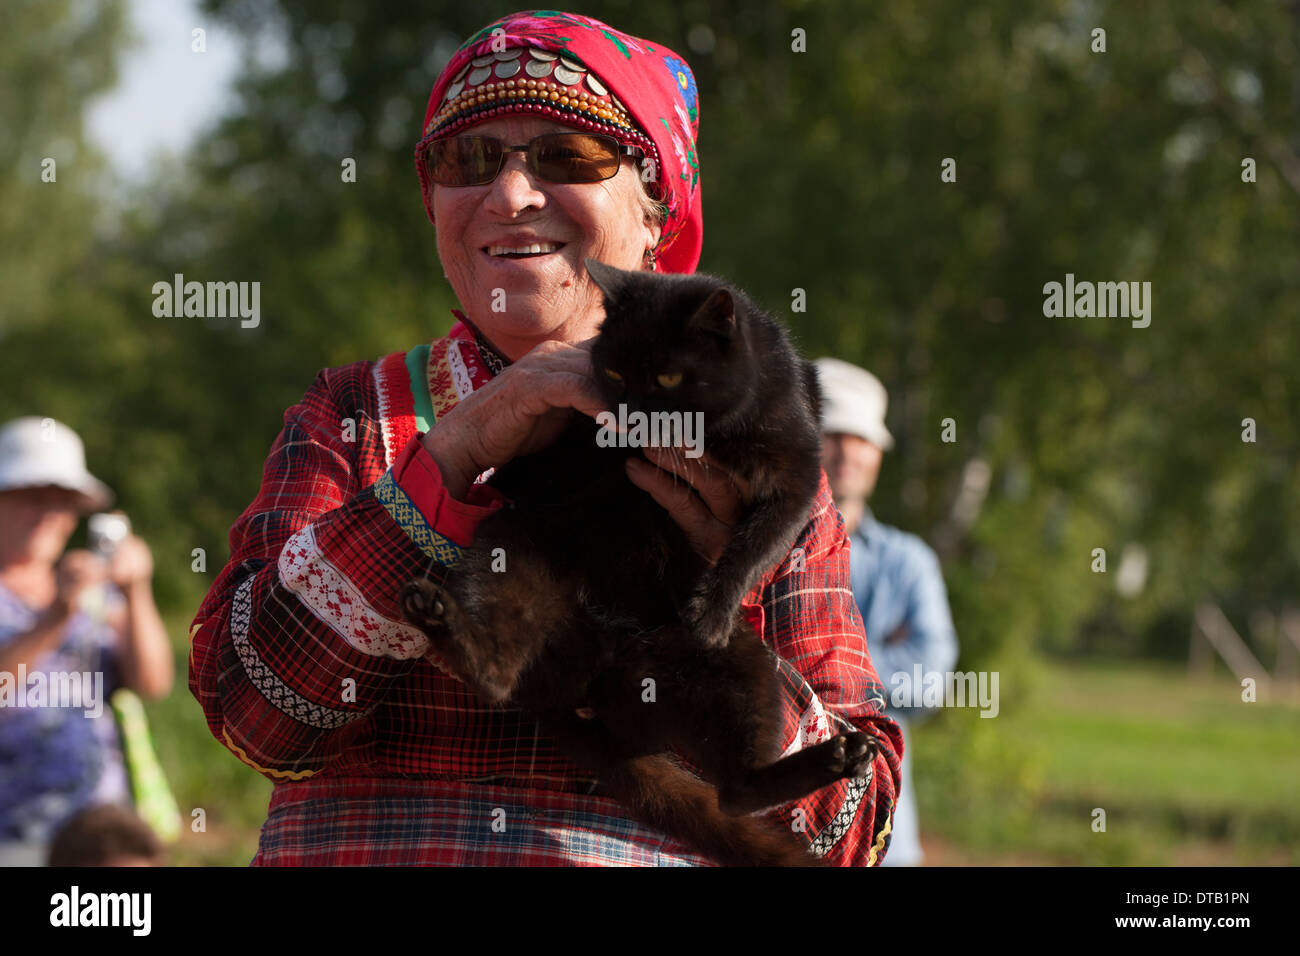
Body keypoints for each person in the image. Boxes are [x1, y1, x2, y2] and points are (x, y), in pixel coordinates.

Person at [189, 10, 903, 866]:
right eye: (468, 161)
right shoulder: (353, 415)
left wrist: (720, 608)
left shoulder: (754, 457)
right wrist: (450, 458)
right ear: (433, 205)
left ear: (656, 214)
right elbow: (252, 717)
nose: (511, 195)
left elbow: (851, 836)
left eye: (569, 158)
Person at [0, 417, 174, 867]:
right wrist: (54, 618)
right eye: (33, 498)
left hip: (101, 839)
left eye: (63, 503)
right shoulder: (63, 601)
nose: (49, 516)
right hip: (14, 839)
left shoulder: (97, 596)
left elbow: (153, 683)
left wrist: (137, 591)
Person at [815, 358, 960, 867]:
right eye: (834, 433)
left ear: (878, 453)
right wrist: (882, 662)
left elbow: (931, 680)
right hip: (777, 837)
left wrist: (815, 665)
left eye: (863, 438)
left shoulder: (910, 561)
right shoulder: (760, 554)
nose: (848, 452)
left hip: (886, 840)